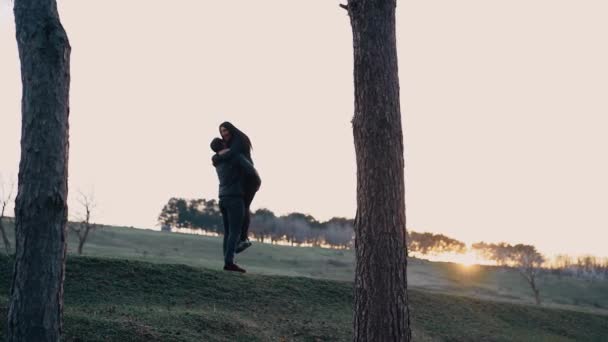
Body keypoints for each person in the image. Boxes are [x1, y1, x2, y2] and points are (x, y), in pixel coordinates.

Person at [210, 137, 261, 273]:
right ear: (223, 144)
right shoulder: (236, 157)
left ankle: (228, 261)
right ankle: (229, 262)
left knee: (228, 232)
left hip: (222, 198)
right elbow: (251, 171)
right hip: (235, 198)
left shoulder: (217, 161)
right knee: (235, 231)